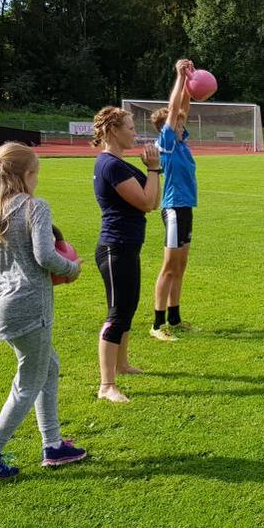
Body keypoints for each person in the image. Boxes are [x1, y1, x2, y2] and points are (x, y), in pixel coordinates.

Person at [0, 142, 86, 481]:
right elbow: (46, 256)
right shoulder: (35, 207)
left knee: (49, 366)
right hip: (30, 306)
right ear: (27, 175)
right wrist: (72, 268)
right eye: (37, 174)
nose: (37, 182)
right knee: (27, 383)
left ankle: (54, 445)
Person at [92, 106, 161, 403]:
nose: (135, 132)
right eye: (130, 128)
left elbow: (152, 201)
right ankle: (107, 385)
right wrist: (154, 169)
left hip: (126, 246)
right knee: (117, 313)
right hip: (115, 247)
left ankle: (122, 364)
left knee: (127, 308)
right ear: (112, 131)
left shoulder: (118, 163)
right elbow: (147, 202)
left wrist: (153, 171)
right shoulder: (112, 165)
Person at [150, 59, 198, 341]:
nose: (183, 122)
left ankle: (175, 318)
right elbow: (174, 108)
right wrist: (179, 76)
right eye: (179, 121)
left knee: (181, 266)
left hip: (186, 209)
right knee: (169, 267)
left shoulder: (181, 143)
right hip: (173, 210)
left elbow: (184, 105)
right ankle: (158, 325)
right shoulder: (166, 142)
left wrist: (190, 77)